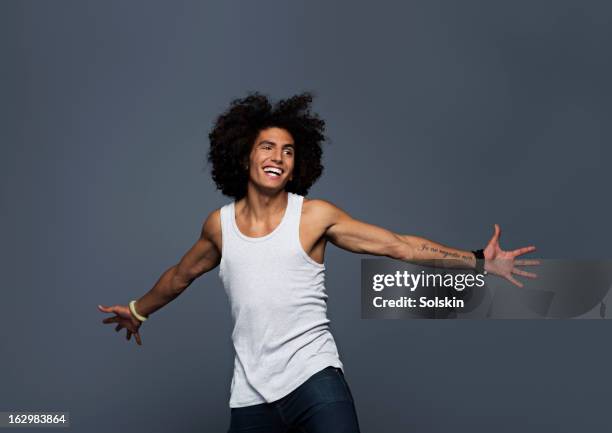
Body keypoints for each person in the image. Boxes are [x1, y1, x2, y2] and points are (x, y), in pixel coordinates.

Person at [98, 92, 538, 432]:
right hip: (250, 393)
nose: (277, 157)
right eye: (267, 147)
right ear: (245, 154)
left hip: (314, 380)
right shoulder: (220, 226)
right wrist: (138, 310)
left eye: (288, 151)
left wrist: (480, 260)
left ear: (297, 164)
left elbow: (399, 246)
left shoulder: (313, 217)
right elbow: (179, 276)